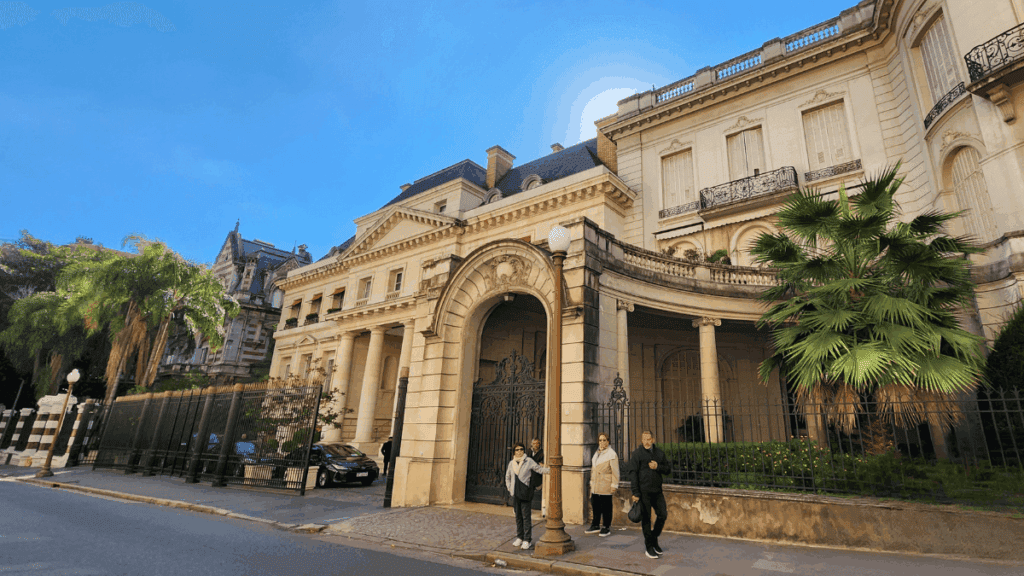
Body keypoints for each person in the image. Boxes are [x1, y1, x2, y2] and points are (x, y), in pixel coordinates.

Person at [628, 430, 671, 559]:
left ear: (653, 440)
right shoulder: (637, 454)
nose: (646, 441)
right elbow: (632, 473)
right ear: (642, 440)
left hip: (657, 491)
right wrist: (635, 492)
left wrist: (658, 466)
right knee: (646, 519)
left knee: (662, 514)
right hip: (643, 492)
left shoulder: (659, 453)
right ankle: (649, 546)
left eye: (648, 439)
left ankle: (653, 538)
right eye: (644, 439)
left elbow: (668, 469)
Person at [505, 441, 549, 551]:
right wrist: (510, 489)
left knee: (526, 517)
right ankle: (520, 537)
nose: (519, 452)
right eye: (517, 450)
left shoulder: (528, 461)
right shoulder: (512, 463)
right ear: (514, 452)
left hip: (525, 493)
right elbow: (508, 477)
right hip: (516, 494)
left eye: (521, 449)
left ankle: (527, 539)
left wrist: (551, 470)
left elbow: (538, 469)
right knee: (518, 517)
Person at [585, 432, 619, 537]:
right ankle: (595, 524)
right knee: (595, 505)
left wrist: (614, 485)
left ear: (608, 441)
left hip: (605, 483)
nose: (602, 442)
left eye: (604, 440)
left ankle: (606, 526)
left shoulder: (611, 454)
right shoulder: (597, 453)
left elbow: (615, 471)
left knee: (606, 506)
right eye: (600, 440)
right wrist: (591, 481)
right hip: (596, 483)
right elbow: (593, 469)